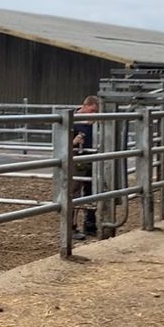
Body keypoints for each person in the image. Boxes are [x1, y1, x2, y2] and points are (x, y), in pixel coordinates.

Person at [72, 95, 99, 240]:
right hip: (76, 159)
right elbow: (62, 143)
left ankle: (90, 223)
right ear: (86, 105)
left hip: (91, 159)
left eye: (96, 112)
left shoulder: (95, 122)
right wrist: (74, 142)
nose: (94, 114)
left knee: (90, 191)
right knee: (74, 192)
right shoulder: (72, 119)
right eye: (93, 110)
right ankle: (71, 226)